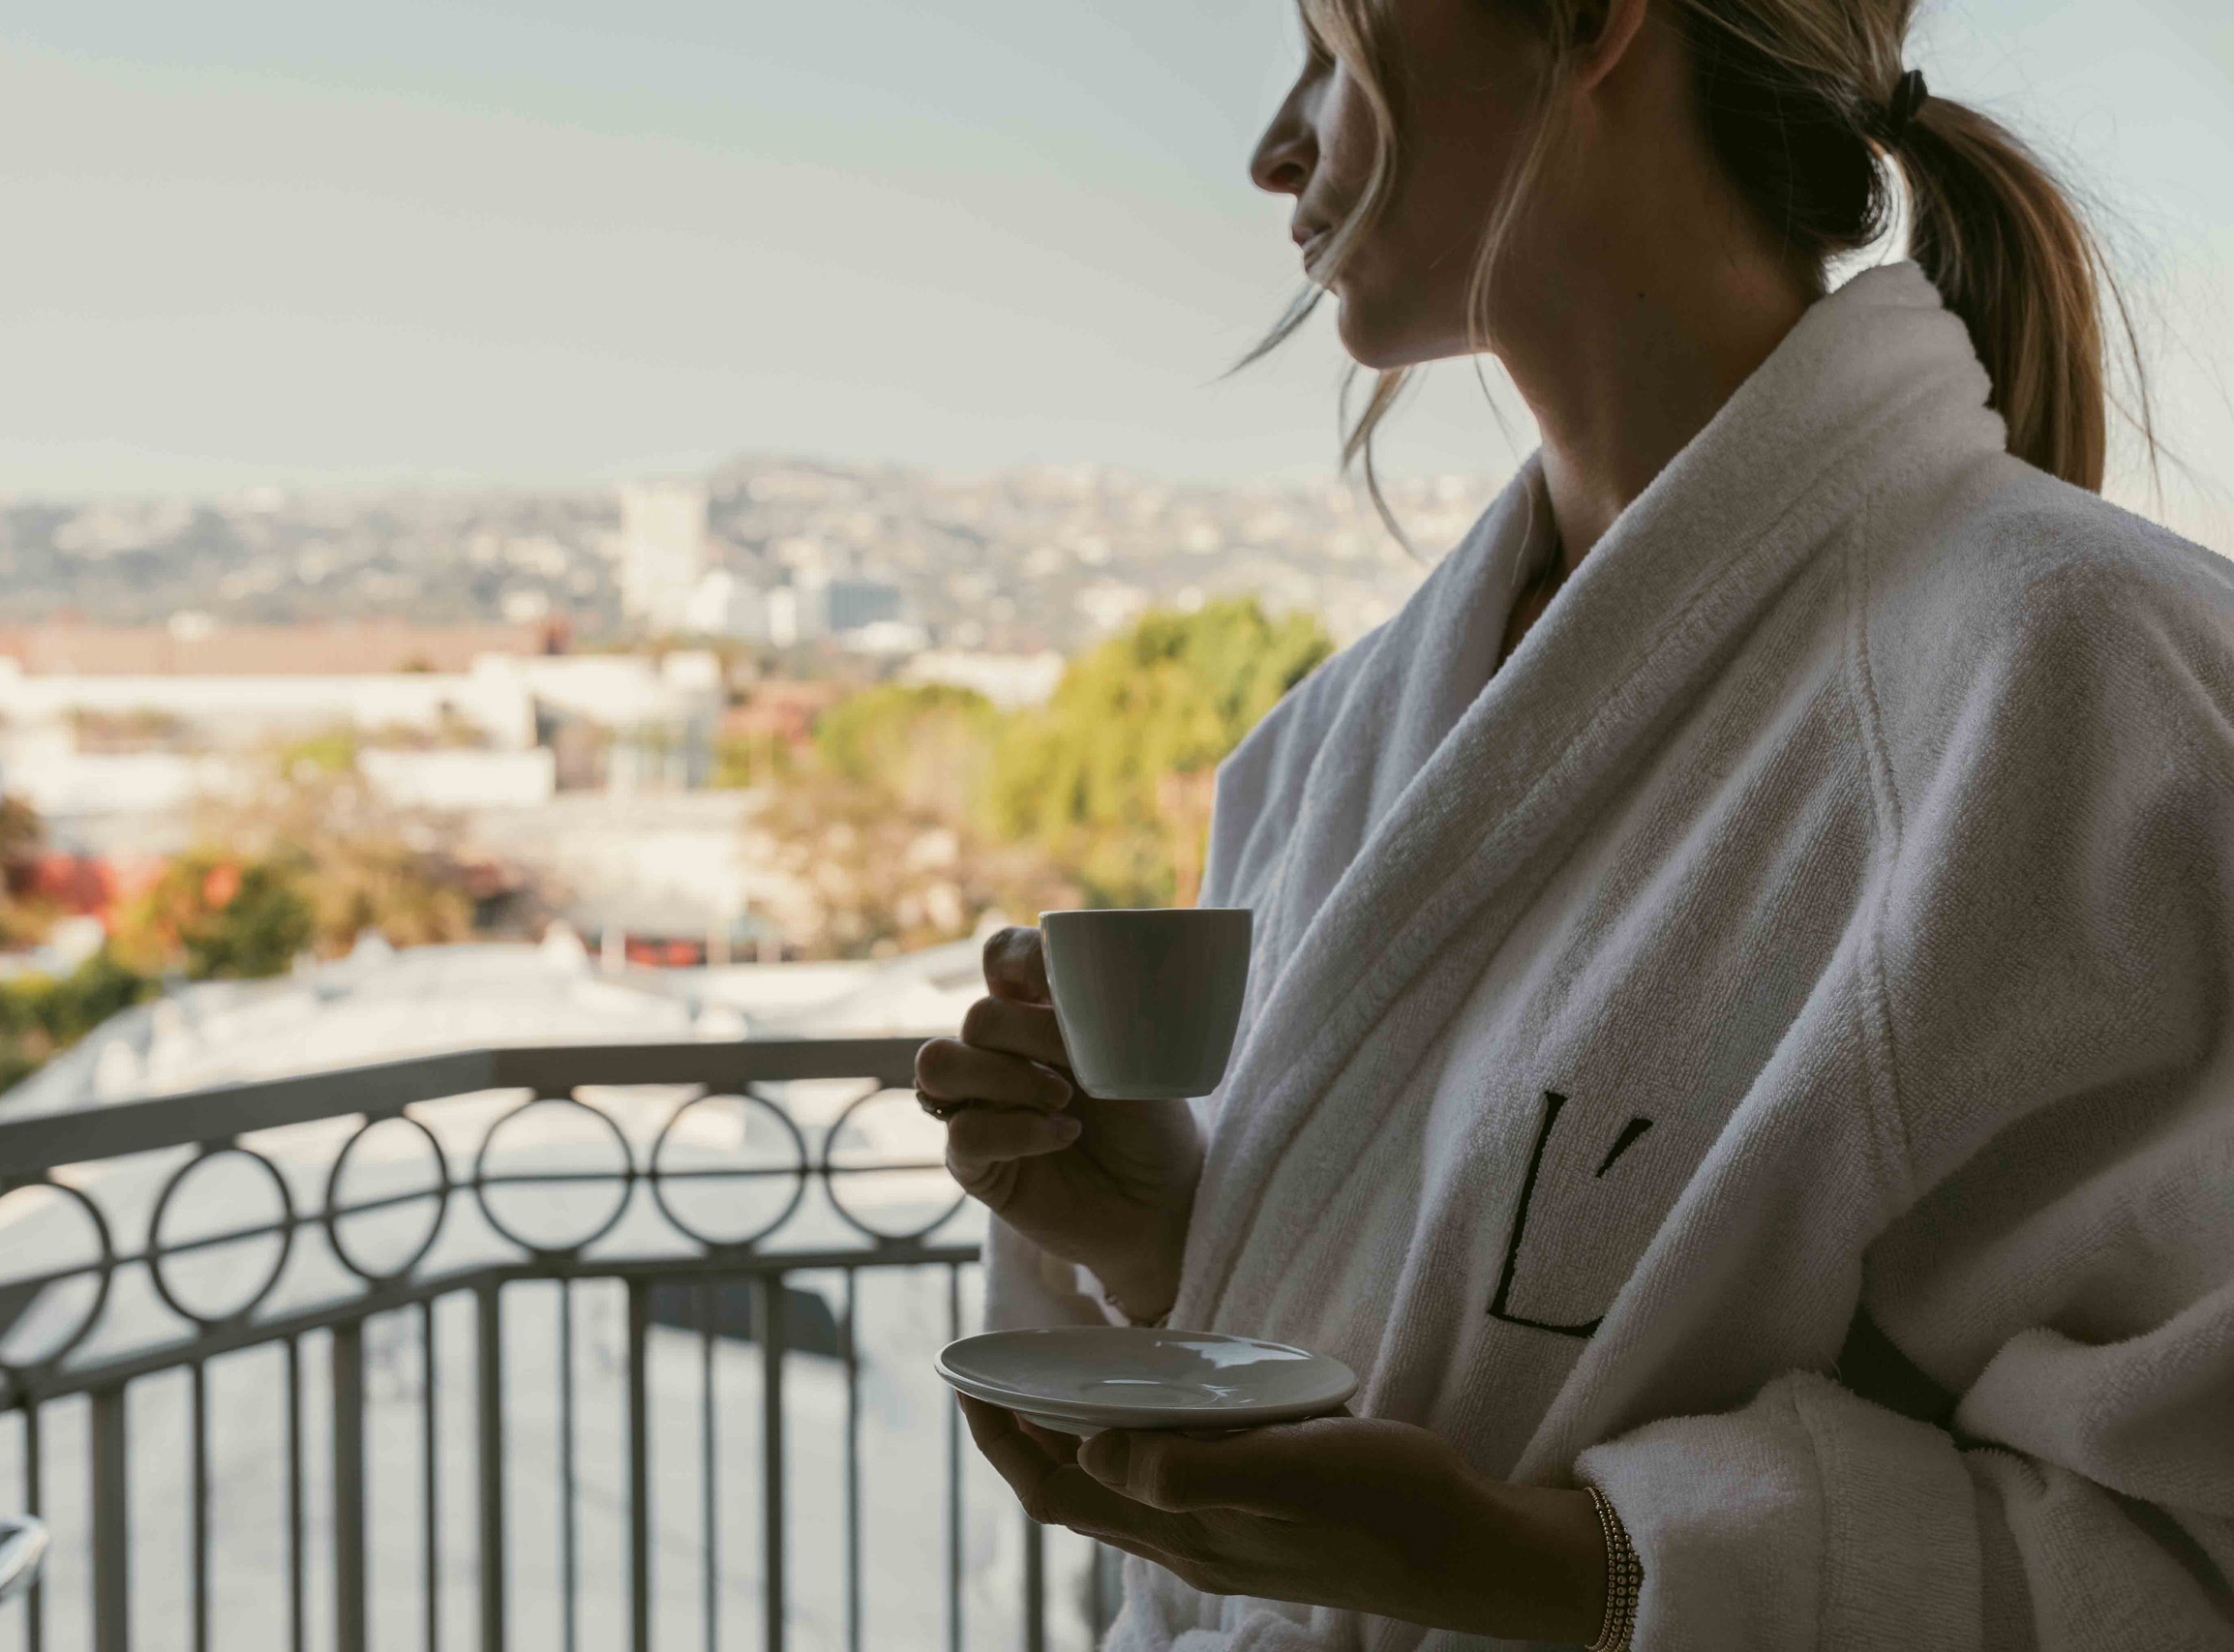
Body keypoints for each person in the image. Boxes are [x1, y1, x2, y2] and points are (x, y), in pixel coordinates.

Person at [911, 0, 2234, 1647]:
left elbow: (2189, 1555)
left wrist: (1557, 1570)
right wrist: (1174, 1246)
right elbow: (1456, 1326)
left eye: (1332, 50)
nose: (1275, 151)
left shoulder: (2083, 681)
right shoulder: (1325, 744)